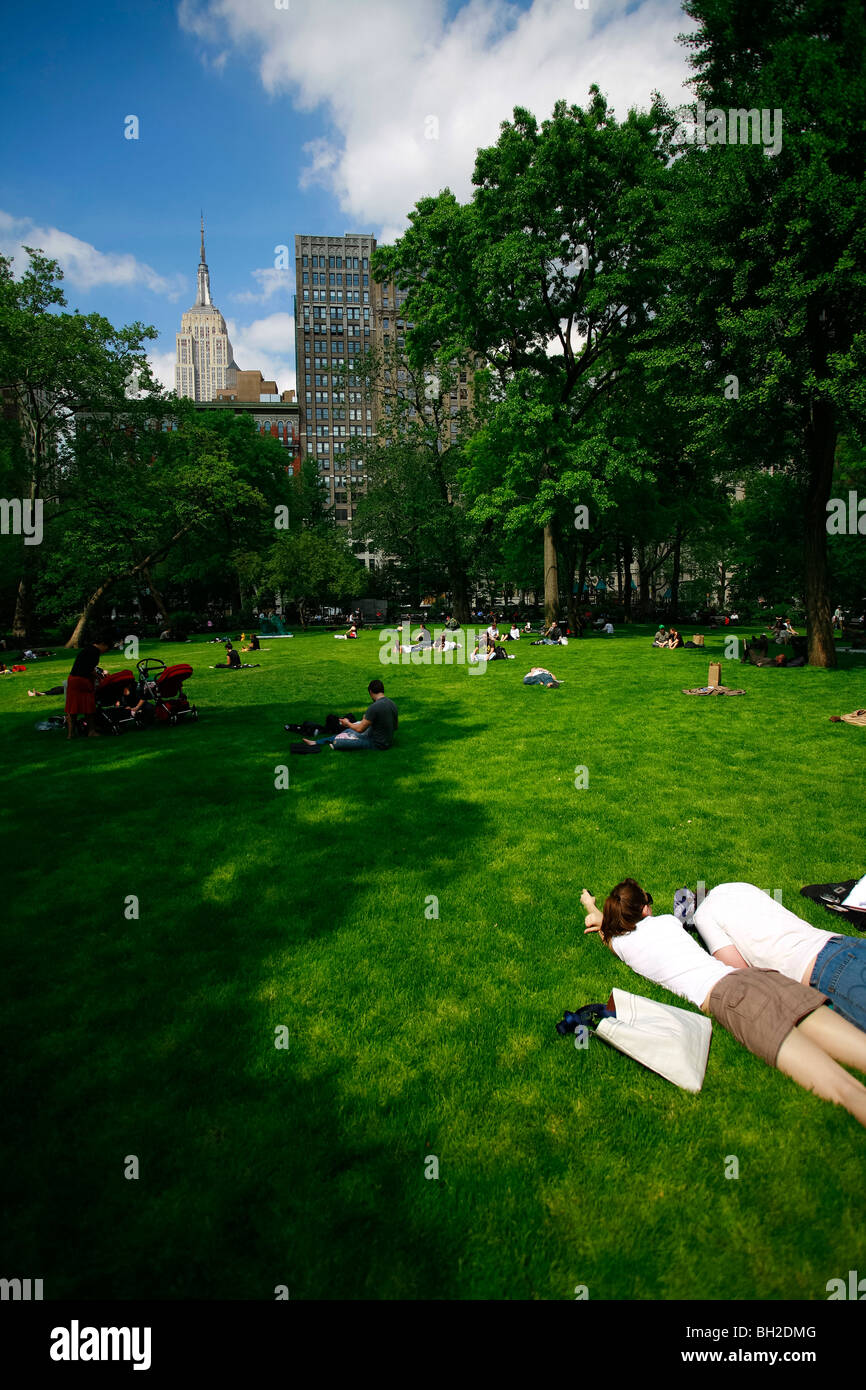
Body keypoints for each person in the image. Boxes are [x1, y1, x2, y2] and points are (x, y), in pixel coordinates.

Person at [581, 879, 866, 1127]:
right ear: (645, 909)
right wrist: (597, 910)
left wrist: (590, 907)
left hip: (730, 998)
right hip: (763, 978)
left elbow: (607, 932)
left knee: (847, 1092)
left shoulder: (623, 946)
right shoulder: (667, 922)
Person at [694, 882, 866, 1034]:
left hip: (822, 969)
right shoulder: (740, 886)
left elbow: (740, 972)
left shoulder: (703, 914)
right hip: (841, 942)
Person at [308, 678, 398, 751]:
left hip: (376, 744)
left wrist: (347, 723)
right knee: (348, 731)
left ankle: (337, 742)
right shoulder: (392, 704)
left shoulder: (374, 707)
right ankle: (317, 742)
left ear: (370, 692)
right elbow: (395, 727)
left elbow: (360, 729)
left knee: (337, 742)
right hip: (387, 741)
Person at [65, 632, 114, 739]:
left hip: (73, 679)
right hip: (82, 680)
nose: (105, 651)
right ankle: (91, 731)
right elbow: (89, 669)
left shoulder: (87, 649)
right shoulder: (95, 651)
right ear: (102, 644)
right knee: (89, 707)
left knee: (73, 707)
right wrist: (99, 677)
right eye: (107, 648)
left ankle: (70, 734)